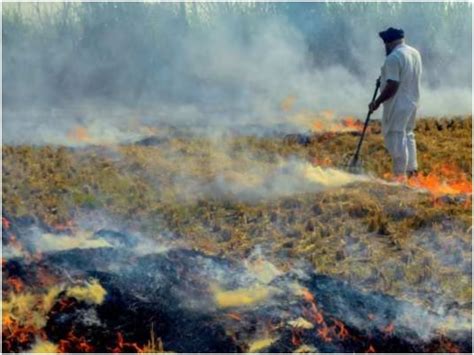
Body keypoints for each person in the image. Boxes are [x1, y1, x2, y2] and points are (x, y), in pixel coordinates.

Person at [368, 27, 422, 180]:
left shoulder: (393, 57)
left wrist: (377, 102)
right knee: (408, 135)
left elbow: (393, 84)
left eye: (385, 43)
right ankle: (412, 171)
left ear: (389, 42)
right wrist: (383, 80)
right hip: (412, 102)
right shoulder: (414, 53)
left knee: (396, 137)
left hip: (398, 104)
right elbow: (400, 76)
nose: (384, 46)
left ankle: (399, 177)